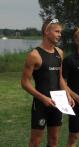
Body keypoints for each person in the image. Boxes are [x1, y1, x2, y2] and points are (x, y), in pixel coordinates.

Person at [21, 16, 74, 147]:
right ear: (46, 32)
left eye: (60, 32)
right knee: (35, 141)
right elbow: (24, 82)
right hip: (41, 104)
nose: (60, 35)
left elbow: (59, 77)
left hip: (58, 103)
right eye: (57, 31)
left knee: (54, 140)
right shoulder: (34, 55)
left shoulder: (59, 52)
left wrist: (68, 94)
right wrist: (43, 98)